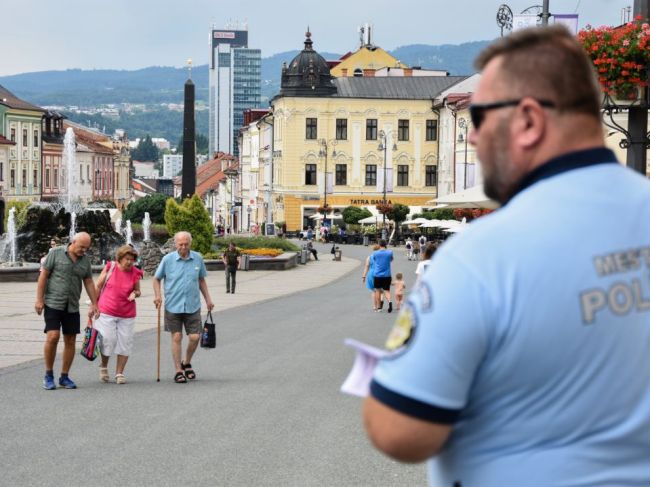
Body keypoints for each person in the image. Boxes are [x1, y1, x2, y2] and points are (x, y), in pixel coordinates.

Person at [363, 26, 650, 486]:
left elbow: (401, 431)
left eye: (479, 116)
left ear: (530, 120)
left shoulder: (482, 257)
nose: (472, 138)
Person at [35, 232, 99, 390]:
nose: (83, 250)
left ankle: (64, 376)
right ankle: (48, 375)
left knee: (70, 340)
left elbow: (89, 281)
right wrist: (39, 299)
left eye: (86, 248)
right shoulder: (56, 254)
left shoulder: (85, 261)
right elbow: (44, 276)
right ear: (73, 242)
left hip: (72, 305)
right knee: (53, 336)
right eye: (81, 247)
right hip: (53, 303)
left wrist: (95, 303)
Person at [153, 231, 214, 384]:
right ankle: (178, 371)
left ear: (190, 243)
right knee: (177, 337)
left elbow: (201, 280)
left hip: (192, 305)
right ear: (175, 244)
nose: (183, 247)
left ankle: (186, 362)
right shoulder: (168, 260)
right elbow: (156, 279)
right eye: (180, 244)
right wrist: (157, 295)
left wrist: (208, 299)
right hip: (173, 305)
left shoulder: (197, 258)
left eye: (186, 244)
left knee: (195, 337)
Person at [94, 245, 144, 384]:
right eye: (127, 259)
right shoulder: (110, 267)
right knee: (107, 340)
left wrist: (135, 294)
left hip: (127, 313)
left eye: (132, 260)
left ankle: (119, 373)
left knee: (125, 342)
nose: (129, 262)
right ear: (120, 259)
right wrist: (94, 305)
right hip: (106, 310)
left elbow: (138, 291)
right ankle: (104, 366)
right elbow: (98, 286)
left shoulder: (135, 272)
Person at [371, 240, 394, 313]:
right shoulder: (390, 252)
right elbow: (391, 260)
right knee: (386, 291)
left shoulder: (375, 253)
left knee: (377, 291)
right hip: (387, 275)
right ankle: (390, 302)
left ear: (379, 245)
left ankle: (379, 307)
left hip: (377, 275)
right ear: (385, 245)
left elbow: (375, 260)